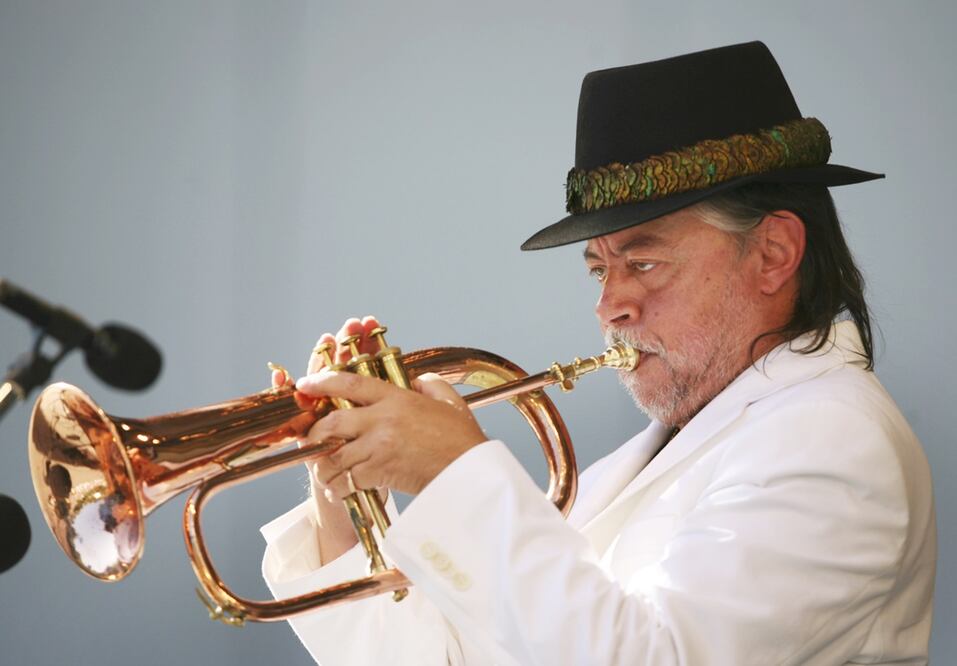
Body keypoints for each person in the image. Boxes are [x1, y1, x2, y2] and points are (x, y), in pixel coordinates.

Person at [260, 41, 936, 665]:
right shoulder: (658, 452)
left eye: (642, 263)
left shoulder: (831, 437)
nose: (608, 306)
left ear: (772, 254)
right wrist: (341, 501)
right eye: (598, 269)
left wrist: (452, 471)